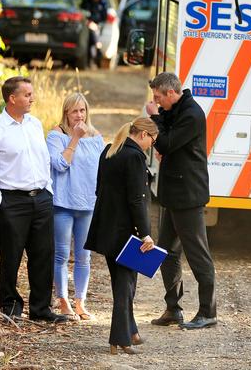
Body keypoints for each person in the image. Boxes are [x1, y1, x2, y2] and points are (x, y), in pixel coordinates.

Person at [0, 76, 69, 323]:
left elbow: (42, 160)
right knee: (12, 256)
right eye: (27, 94)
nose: (33, 98)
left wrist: (48, 190)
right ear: (12, 98)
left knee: (43, 255)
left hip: (40, 198)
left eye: (32, 93)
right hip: (12, 202)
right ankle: (10, 306)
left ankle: (41, 309)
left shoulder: (34, 124)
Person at [145, 72, 217, 330]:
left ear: (171, 93)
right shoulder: (177, 108)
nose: (156, 102)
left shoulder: (192, 114)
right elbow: (167, 131)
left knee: (198, 256)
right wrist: (159, 117)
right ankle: (173, 309)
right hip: (173, 196)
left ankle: (208, 312)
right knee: (166, 253)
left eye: (158, 98)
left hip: (188, 197)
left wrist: (154, 117)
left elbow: (166, 143)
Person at [85, 118, 158, 355]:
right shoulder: (135, 157)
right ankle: (120, 339)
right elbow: (137, 199)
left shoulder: (110, 150)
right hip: (126, 234)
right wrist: (146, 234)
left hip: (106, 228)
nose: (151, 146)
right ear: (144, 135)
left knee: (123, 283)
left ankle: (132, 331)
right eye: (153, 141)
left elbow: (98, 188)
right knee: (125, 286)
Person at [46, 93, 104, 321]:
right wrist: (75, 139)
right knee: (61, 254)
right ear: (66, 113)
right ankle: (63, 301)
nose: (79, 116)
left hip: (87, 204)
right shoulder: (55, 136)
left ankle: (80, 301)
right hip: (62, 203)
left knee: (83, 256)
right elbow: (60, 165)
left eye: (83, 111)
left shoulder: (96, 136)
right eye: (74, 111)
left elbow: (101, 170)